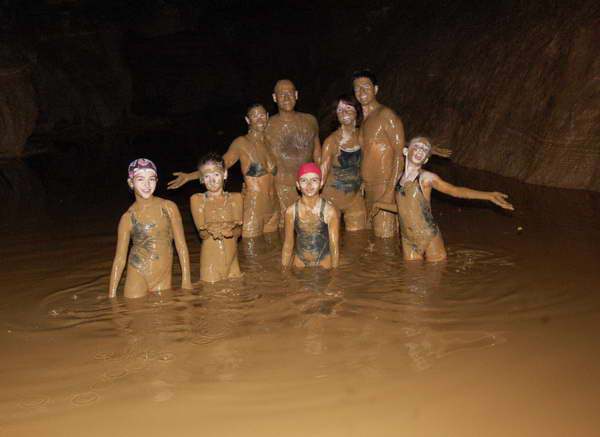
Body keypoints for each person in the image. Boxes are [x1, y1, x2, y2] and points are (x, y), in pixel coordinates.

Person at [371, 137, 514, 262]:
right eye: (418, 146)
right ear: (406, 151)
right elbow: (404, 210)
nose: (421, 150)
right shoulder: (399, 179)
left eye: (425, 149)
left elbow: (455, 191)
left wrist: (488, 196)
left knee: (436, 277)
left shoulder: (427, 178)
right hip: (408, 240)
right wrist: (379, 204)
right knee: (411, 281)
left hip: (429, 235)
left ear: (426, 159)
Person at [352, 69, 451, 238]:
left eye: (366, 86)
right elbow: (368, 153)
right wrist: (361, 181)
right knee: (371, 238)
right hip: (368, 185)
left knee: (385, 238)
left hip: (385, 184)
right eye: (357, 88)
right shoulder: (364, 121)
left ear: (376, 89)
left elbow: (399, 154)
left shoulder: (386, 115)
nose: (361, 91)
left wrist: (390, 191)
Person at [168, 104, 278, 238]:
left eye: (262, 115)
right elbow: (218, 166)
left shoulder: (271, 143)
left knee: (273, 248)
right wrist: (189, 177)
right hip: (254, 206)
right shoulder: (241, 143)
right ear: (248, 120)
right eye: (254, 116)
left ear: (267, 117)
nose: (259, 119)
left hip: (273, 206)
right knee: (251, 251)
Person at [109, 158, 192, 298]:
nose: (147, 184)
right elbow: (120, 258)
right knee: (134, 311)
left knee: (162, 316)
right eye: (140, 179)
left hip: (162, 275)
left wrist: (186, 281)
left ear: (156, 181)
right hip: (137, 272)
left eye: (151, 179)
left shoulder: (168, 207)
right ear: (131, 183)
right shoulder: (127, 217)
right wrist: (111, 296)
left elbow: (181, 246)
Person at [267, 79, 321, 224]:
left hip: (308, 188)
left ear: (296, 95)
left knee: (311, 231)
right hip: (280, 189)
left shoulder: (311, 121)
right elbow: (256, 156)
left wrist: (322, 183)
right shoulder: (267, 125)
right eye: (281, 94)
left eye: (290, 93)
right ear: (274, 98)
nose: (286, 97)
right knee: (284, 233)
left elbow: (318, 155)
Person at [190, 153, 243, 282]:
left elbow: (239, 233)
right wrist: (208, 229)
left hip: (232, 262)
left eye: (216, 175)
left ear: (224, 174)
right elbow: (202, 235)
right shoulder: (197, 200)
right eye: (207, 176)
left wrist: (231, 229)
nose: (212, 180)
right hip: (210, 262)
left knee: (237, 298)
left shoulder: (236, 198)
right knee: (212, 296)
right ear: (201, 178)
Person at [320, 94, 366, 231]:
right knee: (328, 242)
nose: (344, 112)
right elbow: (323, 172)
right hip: (330, 198)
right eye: (339, 110)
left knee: (357, 241)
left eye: (348, 108)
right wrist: (311, 199)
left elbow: (368, 162)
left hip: (354, 197)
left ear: (357, 111)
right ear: (336, 115)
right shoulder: (331, 142)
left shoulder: (363, 135)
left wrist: (364, 181)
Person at [282, 163, 340, 269]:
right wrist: (284, 271)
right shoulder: (291, 212)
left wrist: (335, 273)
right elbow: (288, 245)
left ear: (321, 183)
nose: (309, 185)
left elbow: (334, 246)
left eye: (314, 180)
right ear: (298, 185)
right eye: (304, 180)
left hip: (324, 261)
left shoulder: (329, 211)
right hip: (300, 262)